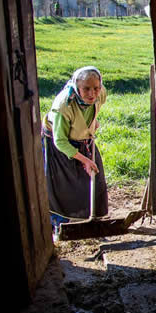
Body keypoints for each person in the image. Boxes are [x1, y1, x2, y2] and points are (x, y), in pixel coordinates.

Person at [42, 66, 109, 235]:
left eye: (96, 88)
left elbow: (93, 109)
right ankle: (59, 226)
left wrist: (91, 124)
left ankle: (92, 220)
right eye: (86, 89)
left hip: (83, 139)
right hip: (59, 145)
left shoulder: (100, 93)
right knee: (64, 187)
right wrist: (84, 160)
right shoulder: (64, 105)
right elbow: (60, 141)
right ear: (77, 87)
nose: (92, 93)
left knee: (95, 179)